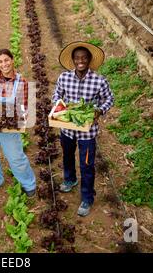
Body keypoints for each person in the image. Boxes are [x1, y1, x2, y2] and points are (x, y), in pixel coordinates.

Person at [52, 41, 114, 216]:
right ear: (73, 60)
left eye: (84, 58)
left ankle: (87, 198)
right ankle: (70, 180)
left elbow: (109, 99)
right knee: (68, 155)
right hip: (67, 128)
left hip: (88, 131)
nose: (81, 61)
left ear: (89, 60)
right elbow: (56, 94)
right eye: (77, 58)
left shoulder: (99, 81)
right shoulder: (64, 78)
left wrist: (99, 110)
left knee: (87, 165)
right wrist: (59, 104)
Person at [0, 49, 36, 197]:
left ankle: (28, 183)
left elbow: (24, 106)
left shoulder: (21, 81)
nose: (4, 64)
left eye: (6, 60)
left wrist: (20, 118)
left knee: (15, 155)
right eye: (0, 61)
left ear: (12, 60)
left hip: (9, 124)